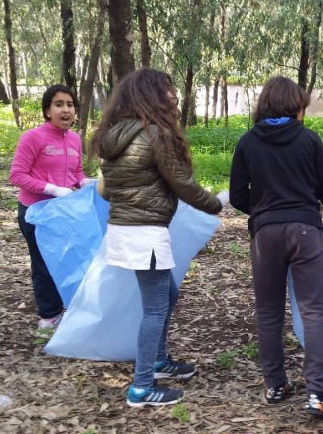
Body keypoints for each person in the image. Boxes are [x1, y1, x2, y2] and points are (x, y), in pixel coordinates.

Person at [90, 69, 227, 407]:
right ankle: (141, 386)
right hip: (146, 232)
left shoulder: (114, 135)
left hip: (124, 228)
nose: (174, 95)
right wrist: (217, 203)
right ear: (151, 94)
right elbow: (181, 182)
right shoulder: (154, 134)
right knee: (154, 309)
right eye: (168, 89)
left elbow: (109, 192)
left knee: (168, 292)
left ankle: (160, 360)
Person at [229, 76, 323, 417]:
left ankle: (275, 385)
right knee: (314, 311)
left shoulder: (247, 142)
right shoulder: (309, 140)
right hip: (306, 232)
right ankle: (316, 394)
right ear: (294, 107)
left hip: (265, 235)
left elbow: (236, 195)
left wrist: (262, 212)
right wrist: (317, 206)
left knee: (268, 311)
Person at [10, 84, 90, 330]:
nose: (65, 110)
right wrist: (51, 189)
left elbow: (76, 171)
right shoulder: (33, 137)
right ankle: (49, 316)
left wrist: (85, 182)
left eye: (70, 105)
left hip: (64, 212)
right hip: (37, 213)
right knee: (43, 263)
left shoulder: (75, 138)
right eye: (58, 104)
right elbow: (17, 175)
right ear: (47, 110)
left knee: (65, 260)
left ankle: (67, 307)